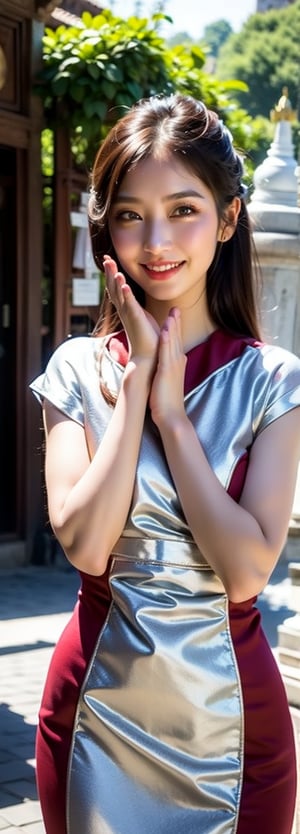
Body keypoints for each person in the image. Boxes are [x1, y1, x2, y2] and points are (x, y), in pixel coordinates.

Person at [30, 93, 300, 834]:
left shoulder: (274, 380)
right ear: (105, 226)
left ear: (230, 216)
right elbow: (86, 544)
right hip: (95, 719)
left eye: (184, 208)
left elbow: (246, 573)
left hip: (235, 726)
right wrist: (133, 393)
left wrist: (174, 419)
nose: (155, 239)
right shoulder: (77, 368)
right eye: (128, 213)